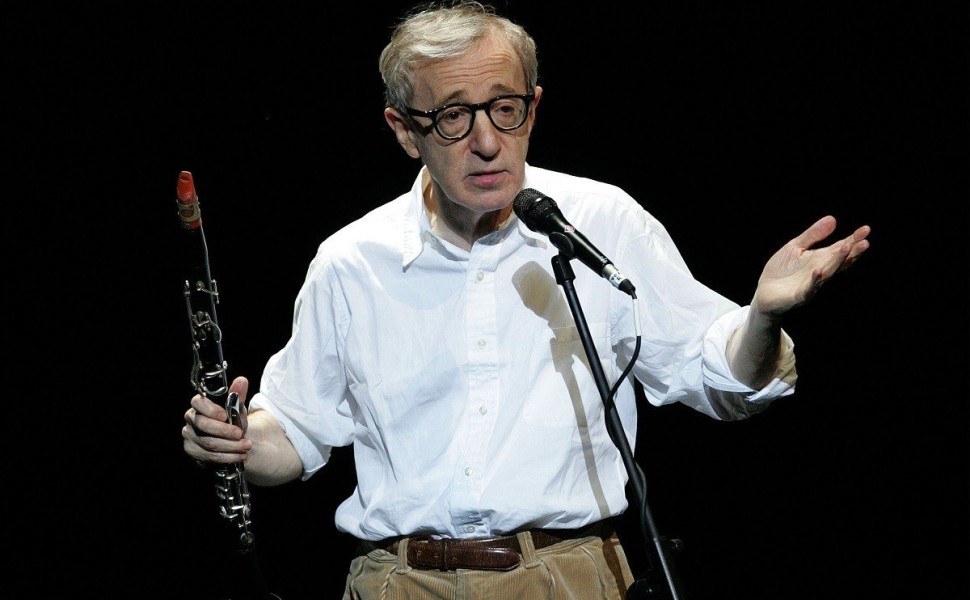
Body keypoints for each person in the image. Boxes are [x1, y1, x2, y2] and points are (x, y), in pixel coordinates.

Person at [182, 1, 871, 598]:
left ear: (533, 108)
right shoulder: (352, 261)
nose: (486, 142)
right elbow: (295, 436)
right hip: (399, 584)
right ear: (403, 129)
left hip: (567, 579)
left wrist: (761, 316)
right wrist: (240, 442)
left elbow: (720, 378)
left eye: (505, 109)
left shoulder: (602, 222)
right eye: (452, 117)